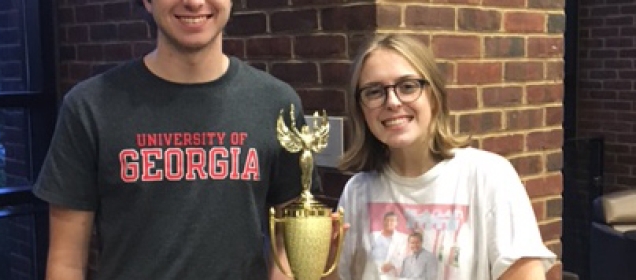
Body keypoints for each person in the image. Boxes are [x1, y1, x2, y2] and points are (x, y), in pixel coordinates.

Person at [33, 0, 321, 279]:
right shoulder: (89, 106)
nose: (194, 3)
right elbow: (66, 262)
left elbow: (289, 243)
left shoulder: (277, 103)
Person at [336, 34, 556, 280]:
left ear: (434, 97)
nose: (393, 102)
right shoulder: (357, 192)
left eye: (408, 86)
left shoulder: (488, 176)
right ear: (361, 109)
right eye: (374, 92)